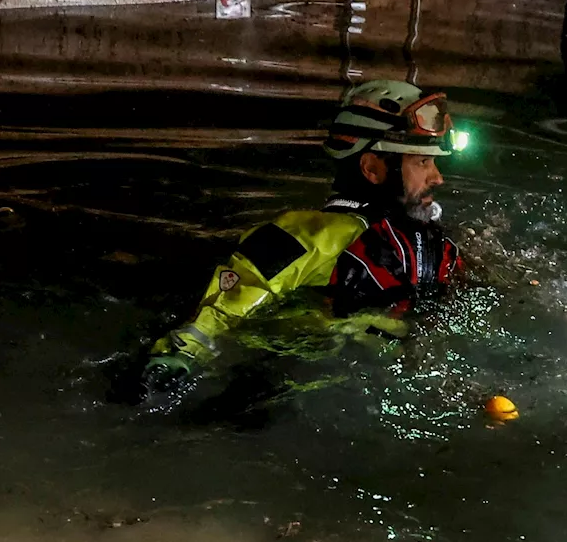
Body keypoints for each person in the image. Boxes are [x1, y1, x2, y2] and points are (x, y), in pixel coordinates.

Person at [141, 80, 467, 409]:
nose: (437, 177)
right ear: (371, 168)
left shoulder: (422, 239)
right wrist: (175, 362)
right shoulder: (308, 235)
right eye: (422, 163)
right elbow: (221, 311)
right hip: (285, 388)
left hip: (346, 389)